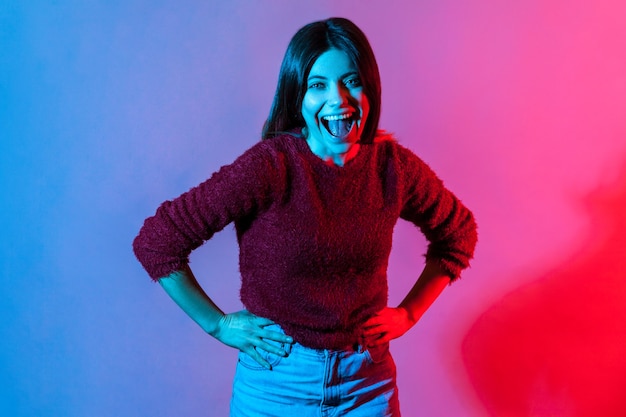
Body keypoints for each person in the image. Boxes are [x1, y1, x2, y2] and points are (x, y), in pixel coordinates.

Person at [133, 17, 477, 416]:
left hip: (367, 385)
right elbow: (158, 241)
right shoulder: (269, 167)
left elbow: (459, 232)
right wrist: (217, 324)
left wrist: (410, 313)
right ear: (299, 98)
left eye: (351, 81)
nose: (339, 99)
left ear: (370, 90)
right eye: (318, 85)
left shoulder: (392, 168)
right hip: (277, 384)